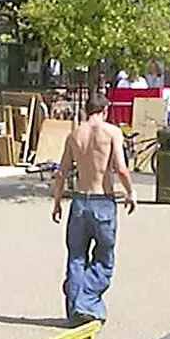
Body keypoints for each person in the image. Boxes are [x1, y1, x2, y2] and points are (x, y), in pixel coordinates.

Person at [51, 94, 137, 325]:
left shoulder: (74, 135)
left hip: (80, 201)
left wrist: (57, 200)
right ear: (105, 110)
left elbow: (61, 171)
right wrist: (131, 192)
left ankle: (77, 307)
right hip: (102, 200)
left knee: (76, 258)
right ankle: (85, 302)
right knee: (104, 258)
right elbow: (120, 167)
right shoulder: (111, 133)